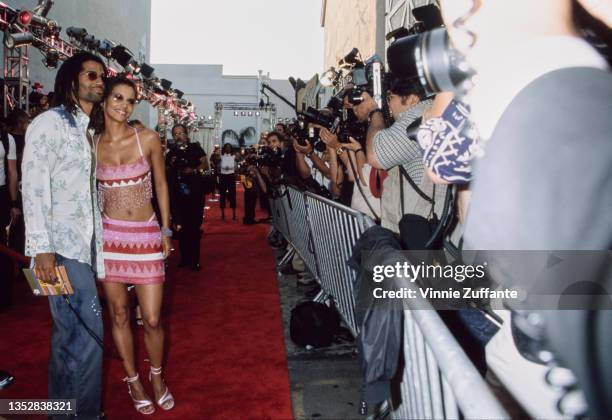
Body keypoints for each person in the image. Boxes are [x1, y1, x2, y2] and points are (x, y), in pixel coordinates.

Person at [21, 51, 107, 419]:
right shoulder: (48, 123)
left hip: (81, 251)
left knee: (68, 337)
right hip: (58, 253)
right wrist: (41, 249)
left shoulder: (87, 131)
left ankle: (63, 412)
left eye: (102, 75)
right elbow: (34, 186)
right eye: (91, 75)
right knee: (87, 339)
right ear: (72, 81)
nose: (100, 81)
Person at [93, 77, 174, 415]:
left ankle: (156, 376)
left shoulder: (148, 139)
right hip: (109, 238)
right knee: (120, 313)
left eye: (129, 101)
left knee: (152, 318)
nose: (123, 106)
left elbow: (160, 183)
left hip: (145, 235)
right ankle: (133, 379)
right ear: (104, 100)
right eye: (117, 98)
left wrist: (166, 230)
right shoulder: (91, 143)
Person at [166, 123, 208, 271]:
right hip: (178, 195)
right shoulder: (171, 152)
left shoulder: (195, 148)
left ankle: (195, 260)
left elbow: (205, 164)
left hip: (195, 193)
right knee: (181, 227)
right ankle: (184, 258)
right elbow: (167, 171)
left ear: (186, 134)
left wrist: (194, 170)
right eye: (175, 134)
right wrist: (171, 165)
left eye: (181, 133)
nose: (179, 136)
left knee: (194, 227)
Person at [0, 116, 20, 311]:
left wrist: (14, 203)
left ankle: (4, 297)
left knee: (3, 246)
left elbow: (12, 173)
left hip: (1, 195)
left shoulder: (7, 139)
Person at [218, 143, 237, 220]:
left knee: (233, 194)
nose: (228, 149)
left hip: (231, 176)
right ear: (224, 148)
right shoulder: (221, 156)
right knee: (222, 195)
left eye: (229, 147)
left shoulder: (234, 156)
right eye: (226, 147)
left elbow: (236, 166)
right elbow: (218, 166)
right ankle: (222, 214)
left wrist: (230, 167)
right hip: (223, 176)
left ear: (231, 148)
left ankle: (234, 214)